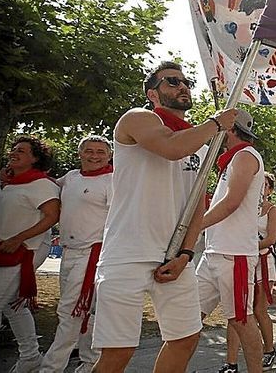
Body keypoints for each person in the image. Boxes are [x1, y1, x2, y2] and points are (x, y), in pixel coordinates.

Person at [92, 61, 238, 373]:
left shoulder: (198, 141)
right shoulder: (137, 119)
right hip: (127, 253)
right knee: (118, 353)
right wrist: (216, 124)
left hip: (174, 256)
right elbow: (170, 148)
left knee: (185, 338)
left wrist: (186, 253)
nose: (182, 87)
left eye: (186, 82)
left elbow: (196, 203)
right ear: (152, 93)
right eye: (172, 82)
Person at [196, 109, 265, 373]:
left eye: (220, 125)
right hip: (215, 252)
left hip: (233, 253)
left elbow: (232, 203)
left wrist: (193, 227)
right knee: (188, 319)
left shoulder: (246, 156)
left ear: (231, 129)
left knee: (241, 320)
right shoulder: (233, 159)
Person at [40, 136, 113, 373]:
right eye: (89, 151)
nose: (94, 156)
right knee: (85, 312)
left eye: (101, 152)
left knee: (70, 311)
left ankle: (51, 367)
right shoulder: (71, 177)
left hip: (92, 255)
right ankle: (90, 362)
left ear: (109, 155)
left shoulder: (112, 180)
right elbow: (47, 185)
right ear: (80, 154)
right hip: (68, 252)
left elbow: (119, 218)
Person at [0, 136, 61, 373]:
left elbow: (53, 216)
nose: (14, 152)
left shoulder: (42, 184)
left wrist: (18, 238)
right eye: (13, 149)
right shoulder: (5, 182)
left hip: (24, 250)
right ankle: (31, 357)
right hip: (0, 251)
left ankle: (31, 357)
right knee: (12, 305)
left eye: (21, 151)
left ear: (35, 158)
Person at [221, 172, 276, 373]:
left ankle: (269, 349)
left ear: (270, 190)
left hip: (263, 262)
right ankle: (231, 363)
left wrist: (247, 245)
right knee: (237, 311)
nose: (260, 188)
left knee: (258, 310)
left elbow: (271, 239)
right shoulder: (244, 207)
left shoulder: (272, 210)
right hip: (242, 259)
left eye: (265, 185)